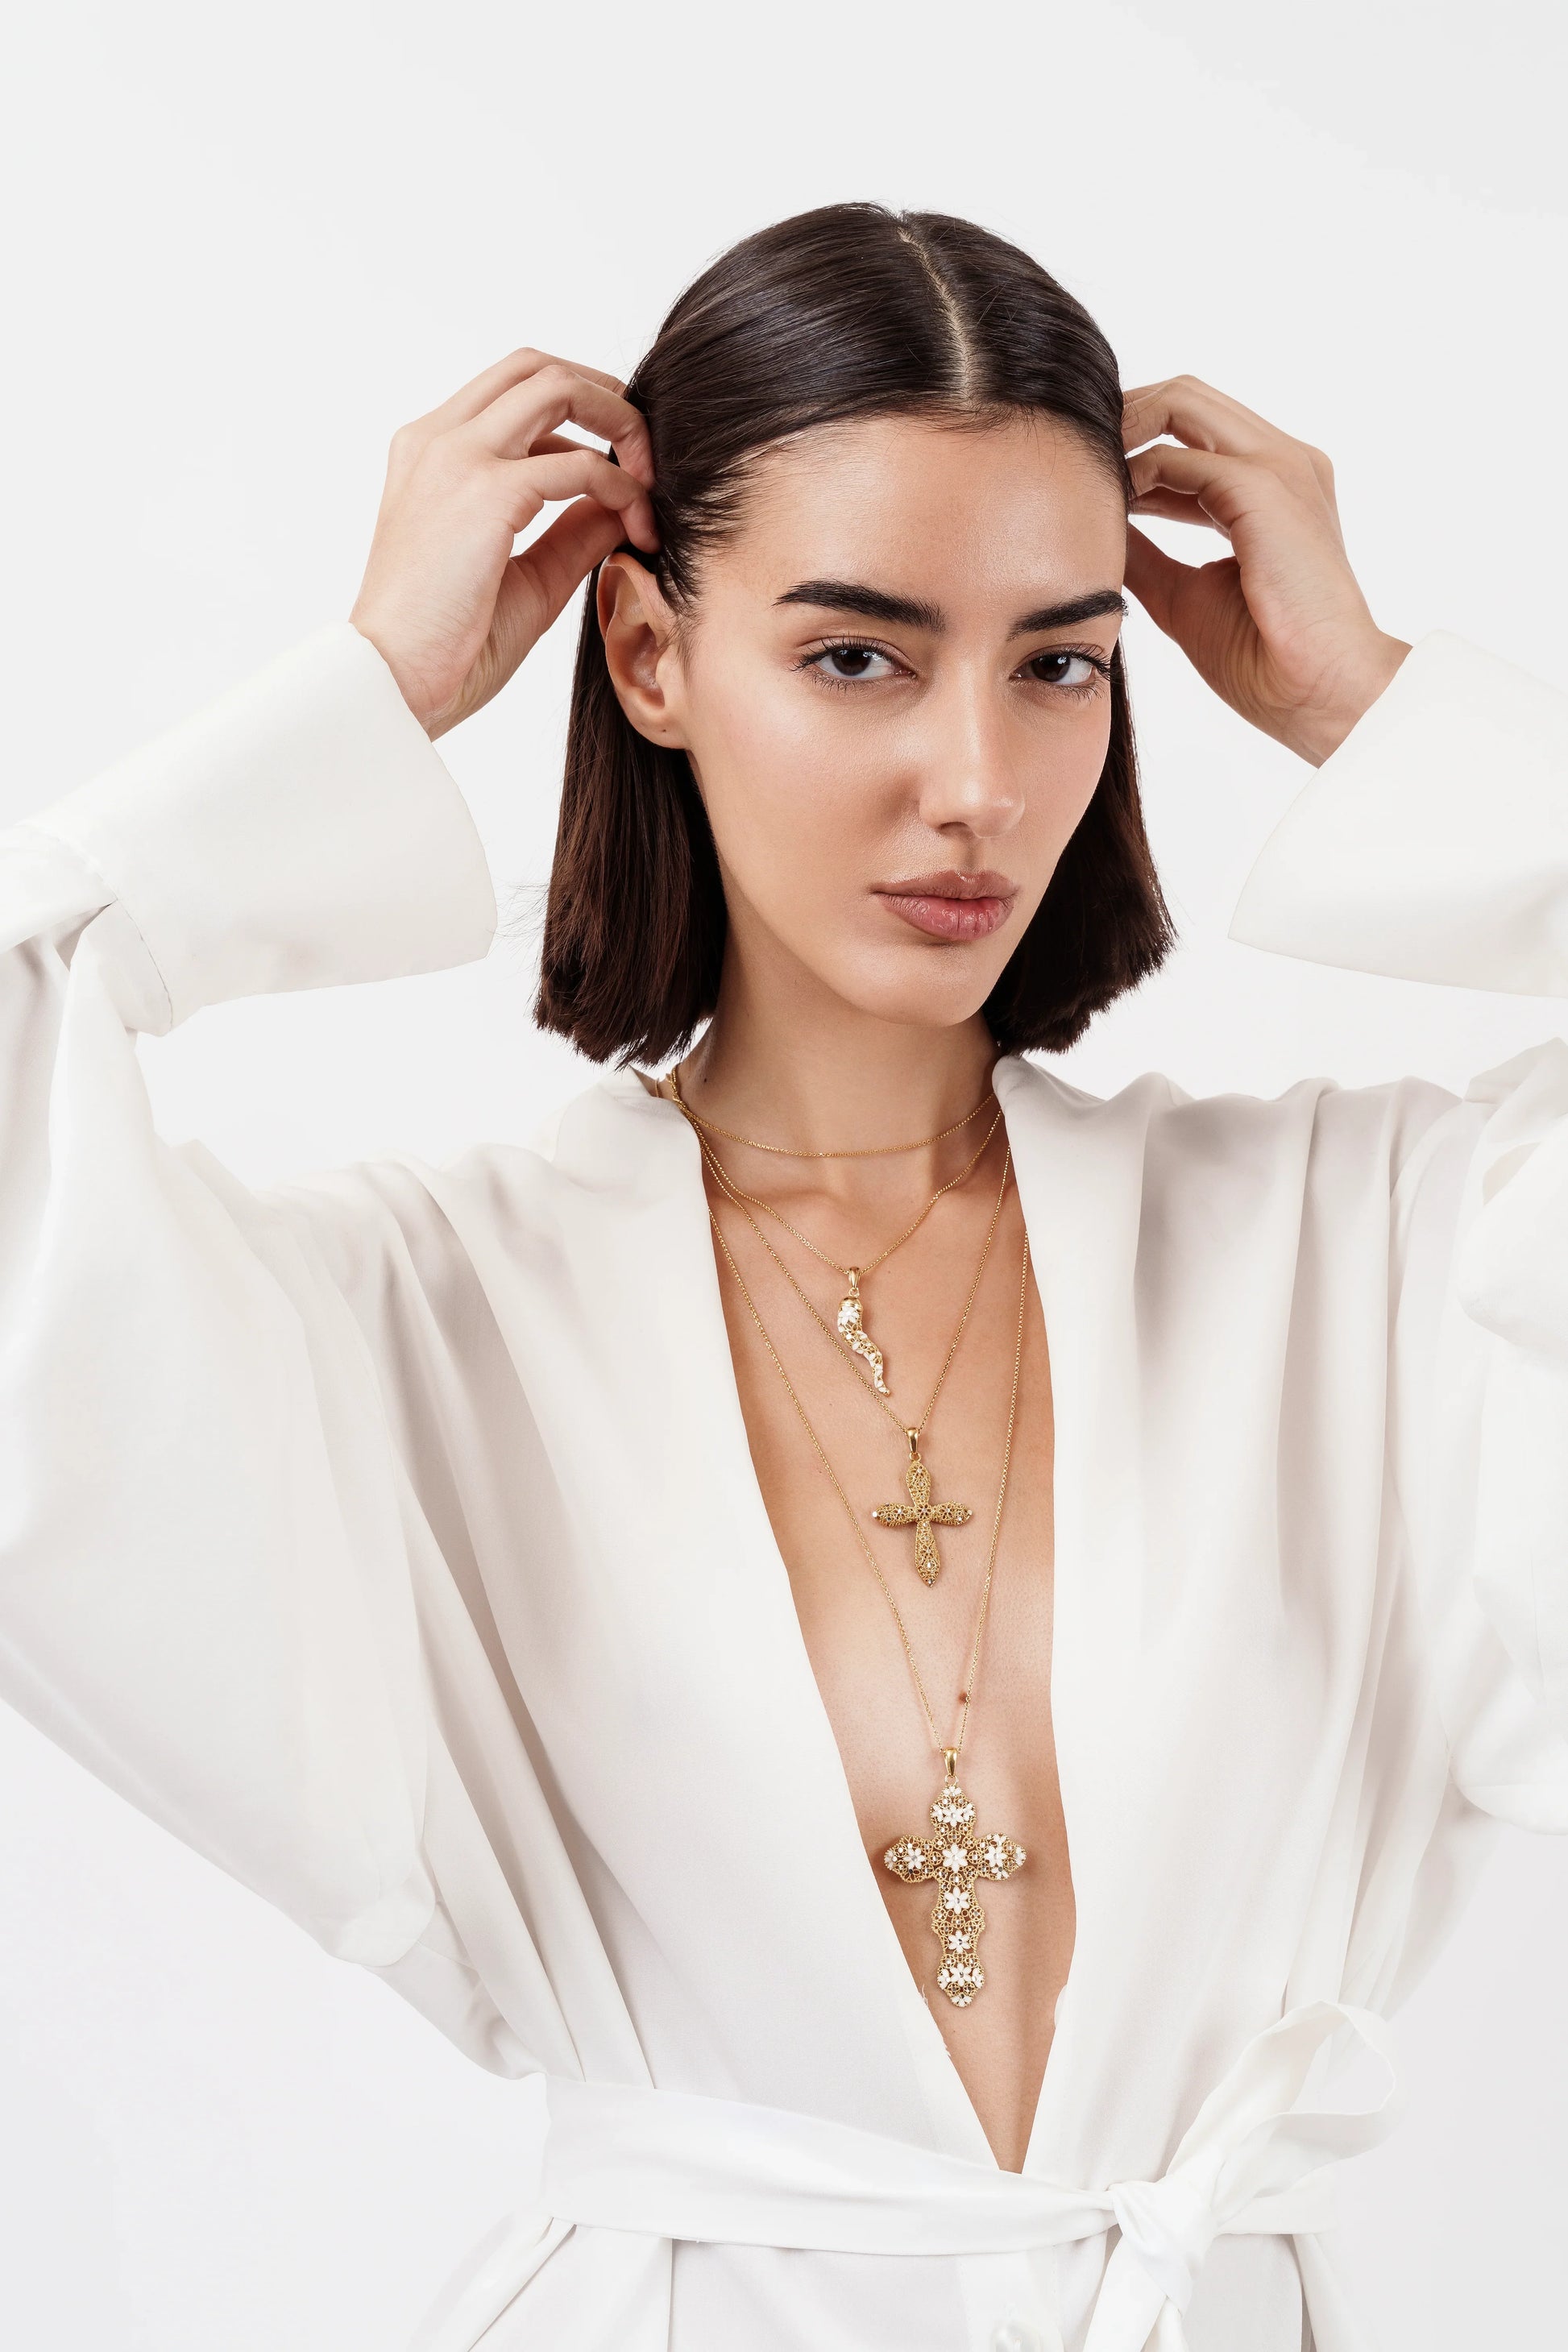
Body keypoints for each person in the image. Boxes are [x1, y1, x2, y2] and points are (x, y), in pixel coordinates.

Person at [1, 200, 1562, 2352]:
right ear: (649, 655)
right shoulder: (423, 1321)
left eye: (1059, 661)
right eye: (856, 654)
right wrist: (361, 691)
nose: (973, 784)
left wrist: (1375, 709)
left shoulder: (1356, 1261)